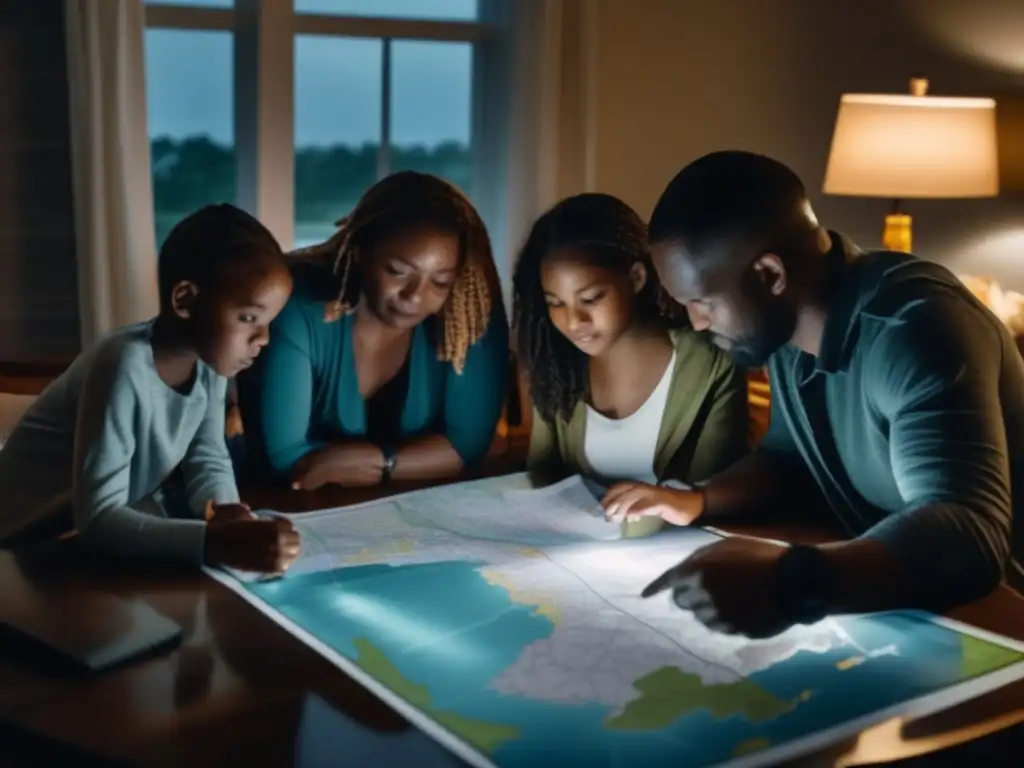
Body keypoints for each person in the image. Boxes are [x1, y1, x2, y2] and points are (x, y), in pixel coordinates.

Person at [604, 150, 1024, 638]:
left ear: (770, 276)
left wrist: (791, 582)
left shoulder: (917, 329)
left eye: (702, 302)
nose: (697, 322)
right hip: (918, 612)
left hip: (1004, 622)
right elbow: (791, 460)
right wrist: (695, 499)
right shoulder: (785, 328)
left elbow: (968, 532)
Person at [0, 204, 300, 573]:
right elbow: (99, 520)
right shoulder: (122, 363)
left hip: (68, 547)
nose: (264, 338)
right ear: (185, 300)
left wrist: (227, 513)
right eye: (249, 318)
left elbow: (208, 457)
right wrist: (216, 543)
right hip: (17, 552)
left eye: (268, 321)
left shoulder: (208, 364)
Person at [237, 171, 508, 491]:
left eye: (440, 281)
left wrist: (382, 463)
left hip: (410, 511)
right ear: (360, 250)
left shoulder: (466, 312)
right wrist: (417, 459)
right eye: (397, 271)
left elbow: (467, 446)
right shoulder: (296, 307)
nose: (415, 296)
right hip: (280, 505)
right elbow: (284, 458)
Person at [513, 193, 749, 536]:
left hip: (680, 557)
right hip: (572, 562)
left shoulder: (713, 363)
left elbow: (715, 491)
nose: (574, 321)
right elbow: (542, 478)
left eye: (591, 298)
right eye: (555, 303)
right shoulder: (556, 365)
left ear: (637, 278)